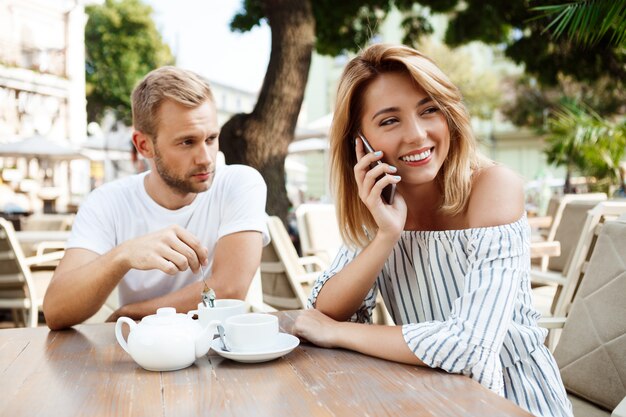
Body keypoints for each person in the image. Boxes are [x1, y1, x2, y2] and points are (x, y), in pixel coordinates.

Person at [292, 44, 572, 417]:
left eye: (429, 110)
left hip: (513, 398)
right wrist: (386, 236)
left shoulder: (493, 187)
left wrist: (339, 334)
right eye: (390, 120)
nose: (418, 135)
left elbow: (471, 347)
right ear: (360, 143)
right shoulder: (382, 205)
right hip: (426, 394)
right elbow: (326, 312)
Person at [43, 66, 269, 330]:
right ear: (143, 145)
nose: (206, 158)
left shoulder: (240, 183)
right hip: (145, 360)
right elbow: (56, 310)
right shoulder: (107, 202)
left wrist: (132, 313)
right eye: (187, 142)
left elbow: (229, 289)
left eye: (211, 138)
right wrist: (123, 255)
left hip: (223, 354)